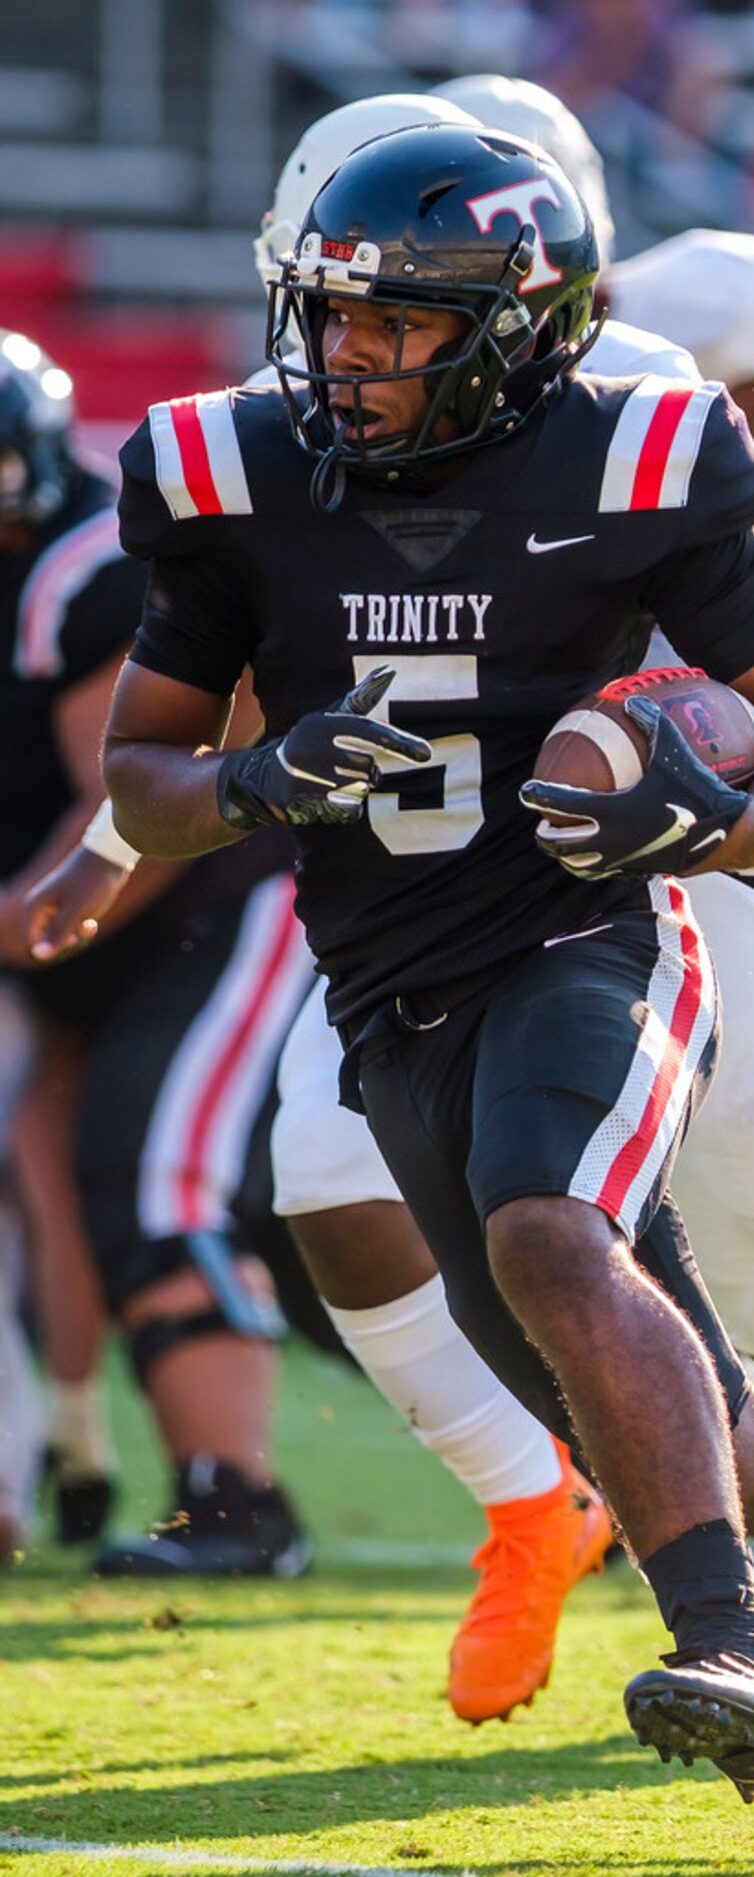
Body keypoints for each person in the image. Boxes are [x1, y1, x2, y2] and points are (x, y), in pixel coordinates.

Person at [101, 123, 754, 1806]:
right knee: (714, 1440)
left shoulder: (631, 461)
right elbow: (141, 778)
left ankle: (731, 1646)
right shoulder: (237, 482)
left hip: (587, 931)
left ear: (518, 331)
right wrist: (251, 780)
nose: (345, 355)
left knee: (552, 1223)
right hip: (389, 989)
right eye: (329, 315)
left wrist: (720, 825)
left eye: (396, 324)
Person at [0, 328, 314, 1576]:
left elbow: (140, 803)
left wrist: (20, 921)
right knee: (66, 1168)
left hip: (217, 895)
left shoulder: (85, 572)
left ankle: (236, 1502)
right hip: (79, 932)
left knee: (160, 1169)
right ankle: (77, 1437)